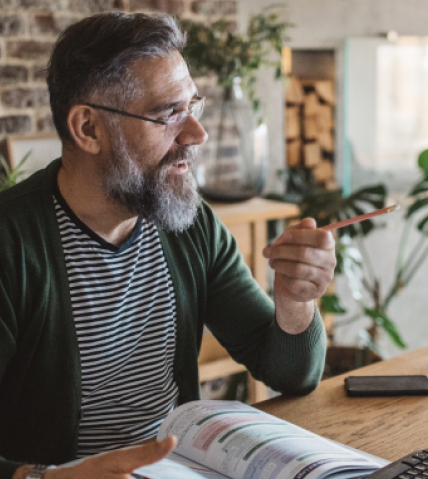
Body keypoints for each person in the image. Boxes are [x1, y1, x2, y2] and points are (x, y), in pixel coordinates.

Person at [0, 13, 335, 479]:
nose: (196, 134)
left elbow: (289, 373)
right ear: (88, 129)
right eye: (167, 113)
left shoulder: (188, 223)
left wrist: (296, 300)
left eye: (191, 106)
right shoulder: (11, 243)